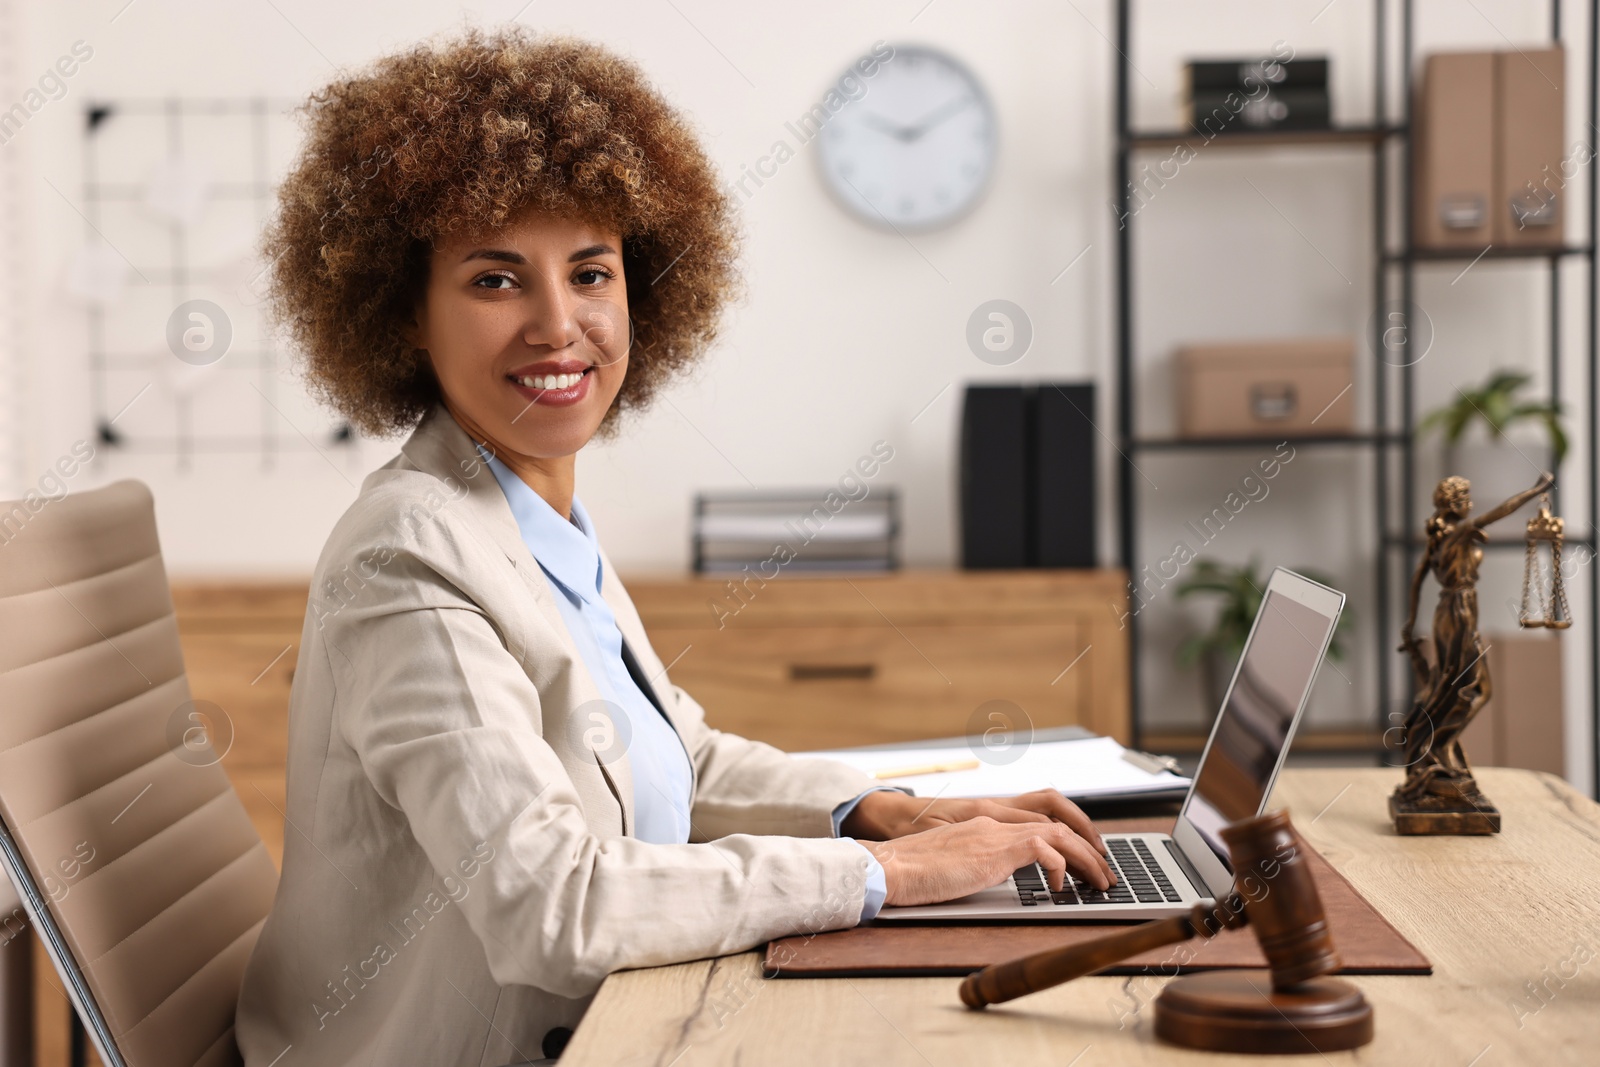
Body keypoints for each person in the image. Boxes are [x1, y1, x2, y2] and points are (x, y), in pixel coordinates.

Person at [235, 28, 1112, 1066]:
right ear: (406, 314)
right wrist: (889, 879)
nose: (559, 324)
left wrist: (884, 815)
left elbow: (673, 760)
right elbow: (552, 906)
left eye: (591, 272)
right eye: (494, 279)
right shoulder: (410, 558)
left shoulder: (527, 511)